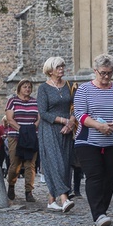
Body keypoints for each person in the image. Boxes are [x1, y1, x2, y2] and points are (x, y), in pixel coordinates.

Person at [73, 54, 113, 226]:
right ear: (95, 71)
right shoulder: (84, 90)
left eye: (109, 73)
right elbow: (80, 114)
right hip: (88, 140)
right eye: (103, 73)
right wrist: (98, 126)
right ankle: (98, 215)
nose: (106, 77)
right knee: (95, 176)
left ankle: (102, 210)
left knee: (110, 177)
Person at [37, 58, 77, 213]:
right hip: (49, 129)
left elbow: (75, 106)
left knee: (66, 164)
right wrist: (63, 120)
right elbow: (43, 112)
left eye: (62, 66)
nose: (62, 68)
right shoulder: (43, 88)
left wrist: (71, 122)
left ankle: (51, 200)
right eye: (58, 66)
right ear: (50, 70)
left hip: (66, 130)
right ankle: (64, 198)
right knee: (55, 162)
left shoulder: (68, 85)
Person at [5, 80, 40, 203]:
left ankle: (28, 191)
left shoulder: (35, 102)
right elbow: (10, 119)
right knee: (15, 164)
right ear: (19, 88)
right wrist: (22, 130)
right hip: (16, 136)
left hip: (32, 136)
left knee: (30, 164)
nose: (27, 89)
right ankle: (11, 185)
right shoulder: (13, 101)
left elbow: (39, 118)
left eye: (29, 87)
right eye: (25, 87)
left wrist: (31, 129)